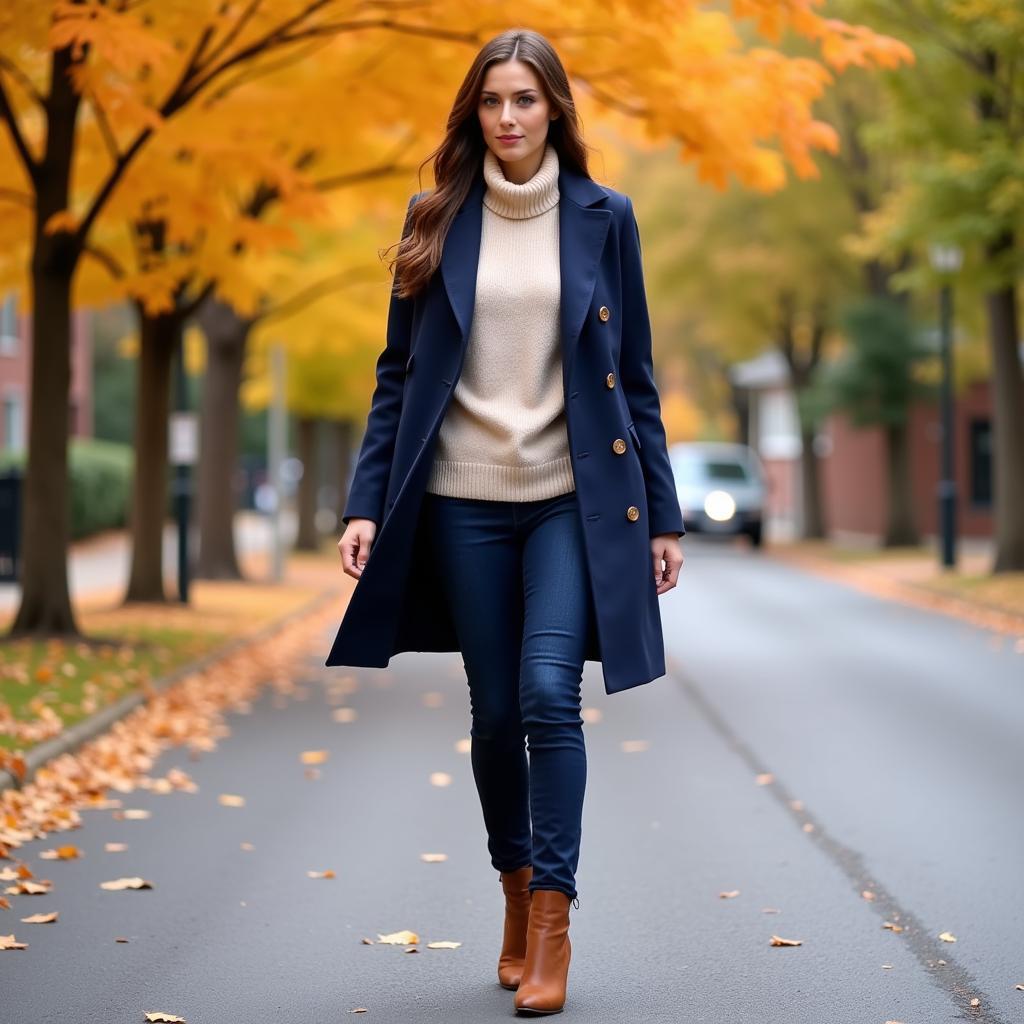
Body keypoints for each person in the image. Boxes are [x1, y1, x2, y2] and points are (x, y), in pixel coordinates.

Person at [335, 28, 685, 1016]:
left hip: (571, 501)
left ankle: (555, 922)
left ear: (554, 110)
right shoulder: (436, 216)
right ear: (473, 112)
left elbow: (637, 379)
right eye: (492, 100)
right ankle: (514, 889)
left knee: (545, 692)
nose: (508, 117)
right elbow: (397, 375)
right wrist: (363, 499)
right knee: (493, 713)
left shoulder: (604, 218)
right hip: (460, 503)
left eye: (526, 99)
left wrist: (661, 515)